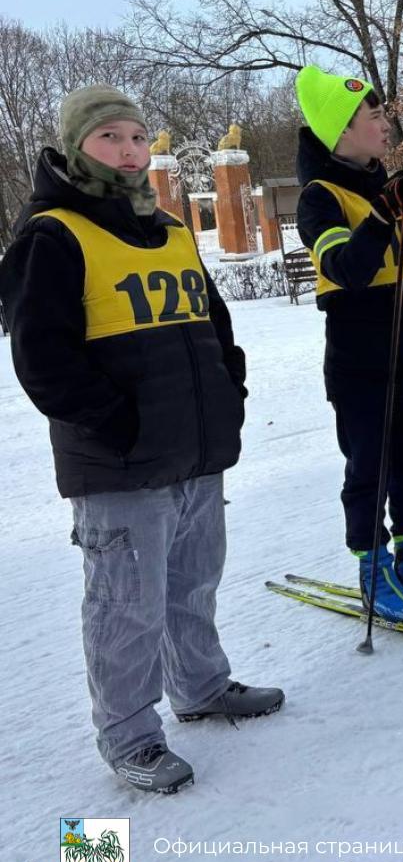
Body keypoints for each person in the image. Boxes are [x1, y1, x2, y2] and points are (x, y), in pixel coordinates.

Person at [0, 85, 282, 794]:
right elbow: (42, 360)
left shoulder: (174, 229)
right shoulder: (52, 236)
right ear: (77, 147)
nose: (127, 152)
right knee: (126, 603)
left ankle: (201, 686)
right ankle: (129, 735)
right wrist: (117, 422)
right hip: (120, 464)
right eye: (109, 139)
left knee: (193, 583)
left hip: (195, 450)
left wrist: (229, 394)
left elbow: (212, 327)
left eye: (135, 137)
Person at [295, 65, 403, 622]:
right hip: (361, 355)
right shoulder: (318, 198)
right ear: (341, 131)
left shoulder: (391, 186)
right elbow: (345, 267)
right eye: (373, 118)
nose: (384, 126)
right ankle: (372, 568)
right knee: (368, 466)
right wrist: (381, 214)